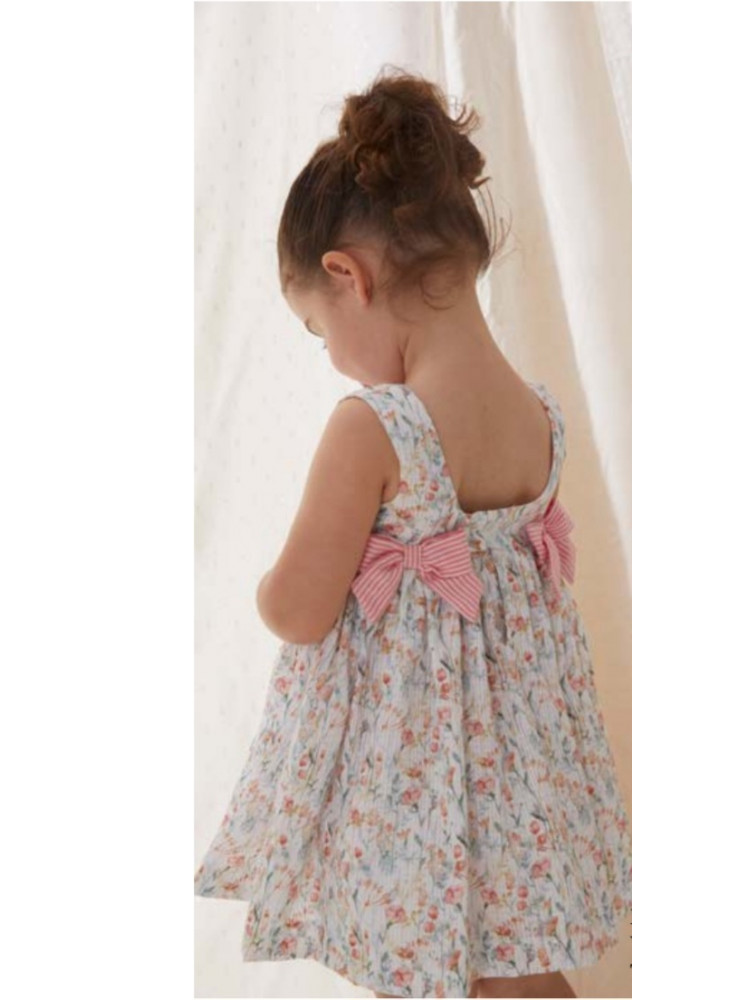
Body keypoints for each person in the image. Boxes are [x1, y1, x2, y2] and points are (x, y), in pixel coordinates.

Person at [194, 66, 631, 999]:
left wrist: (265, 587)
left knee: (425, 965)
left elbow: (301, 611)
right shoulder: (539, 415)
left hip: (416, 774)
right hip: (521, 769)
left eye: (318, 330)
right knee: (515, 969)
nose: (332, 358)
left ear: (346, 278)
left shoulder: (378, 427)